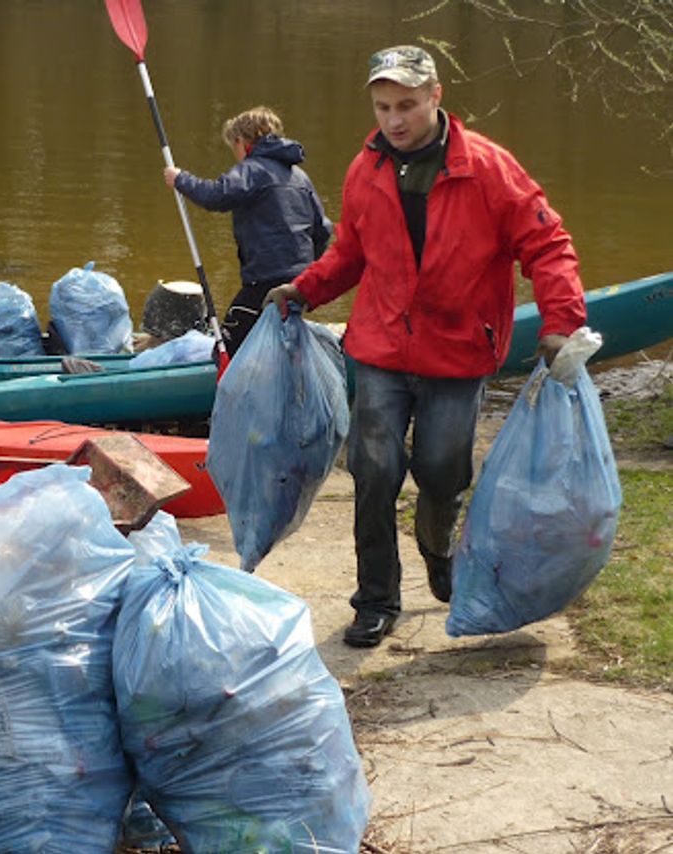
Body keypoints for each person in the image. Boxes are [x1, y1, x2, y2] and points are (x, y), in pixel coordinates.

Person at [266, 45, 586, 648]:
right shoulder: (366, 169)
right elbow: (351, 254)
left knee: (442, 472)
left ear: (436, 97)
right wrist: (306, 290)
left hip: (459, 351)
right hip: (381, 349)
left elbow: (549, 245)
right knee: (373, 470)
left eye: (407, 105)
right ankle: (376, 600)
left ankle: (438, 547)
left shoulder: (489, 168)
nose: (394, 120)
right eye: (384, 106)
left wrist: (561, 322)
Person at [164, 106, 332, 357]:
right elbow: (323, 230)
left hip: (264, 282)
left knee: (225, 349)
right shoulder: (300, 177)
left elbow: (216, 196)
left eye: (234, 145)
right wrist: (306, 268)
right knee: (274, 344)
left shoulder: (252, 170)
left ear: (242, 141)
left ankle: (227, 389)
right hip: (301, 283)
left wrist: (180, 179)